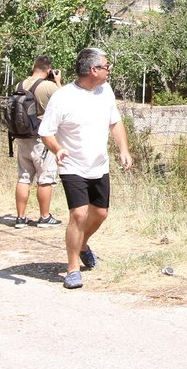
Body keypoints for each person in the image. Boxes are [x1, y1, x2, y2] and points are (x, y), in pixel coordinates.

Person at [38, 47, 133, 290]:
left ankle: (82, 245)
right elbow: (45, 132)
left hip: (99, 164)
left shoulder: (106, 91)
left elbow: (115, 122)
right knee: (79, 214)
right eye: (106, 66)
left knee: (100, 214)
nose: (109, 70)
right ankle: (72, 269)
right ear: (93, 70)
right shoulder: (63, 97)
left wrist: (124, 150)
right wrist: (57, 148)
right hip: (72, 165)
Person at [12, 55, 63, 229]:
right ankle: (44, 217)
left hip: (21, 137)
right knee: (45, 178)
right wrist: (57, 82)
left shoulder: (19, 84)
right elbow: (65, 102)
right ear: (49, 70)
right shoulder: (48, 87)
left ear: (33, 66)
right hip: (42, 139)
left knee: (24, 177)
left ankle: (20, 218)